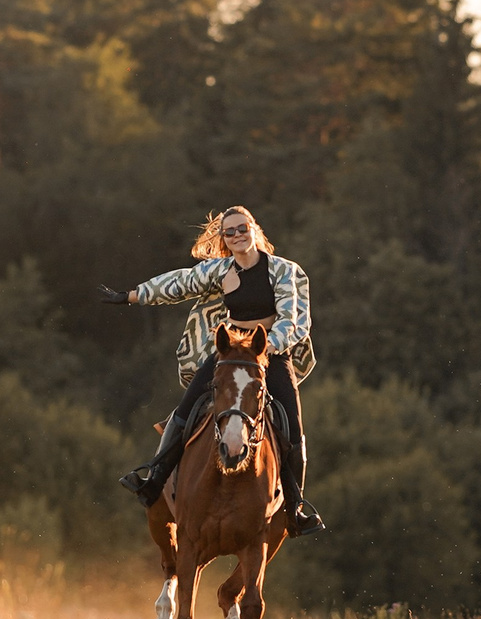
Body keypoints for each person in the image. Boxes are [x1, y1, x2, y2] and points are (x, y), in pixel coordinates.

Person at [99, 206, 325, 536]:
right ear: (223, 239)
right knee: (184, 411)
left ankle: (295, 508)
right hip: (231, 351)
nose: (236, 236)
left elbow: (293, 319)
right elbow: (179, 283)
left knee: (292, 427)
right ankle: (154, 479)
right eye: (229, 232)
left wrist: (264, 348)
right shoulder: (221, 271)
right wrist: (130, 296)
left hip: (271, 354)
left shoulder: (284, 271)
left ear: (254, 229)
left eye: (241, 228)